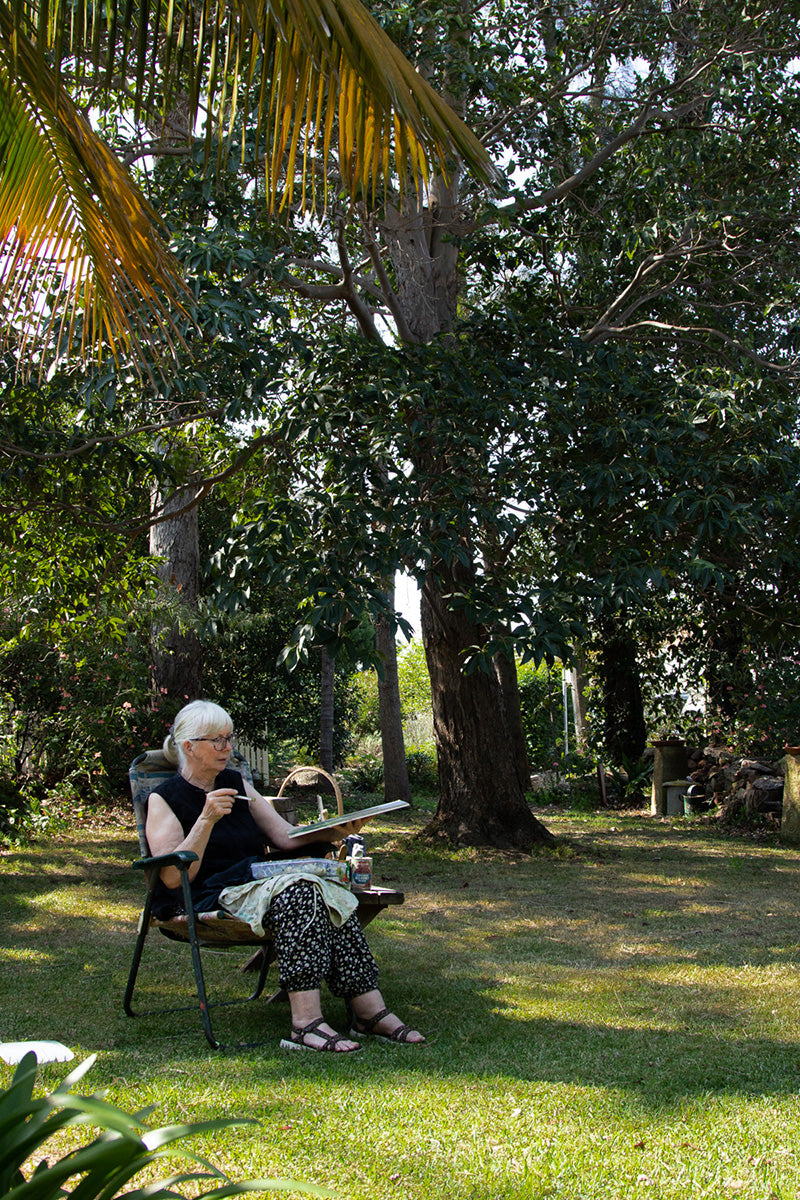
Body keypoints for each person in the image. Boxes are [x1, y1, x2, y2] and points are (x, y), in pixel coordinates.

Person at [146, 699, 425, 1052]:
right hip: (209, 894)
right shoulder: (164, 798)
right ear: (189, 747)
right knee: (301, 891)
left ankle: (369, 1009)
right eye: (216, 740)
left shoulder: (236, 782)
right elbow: (174, 878)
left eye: (229, 737)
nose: (227, 747)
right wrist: (206, 819)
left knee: (327, 889)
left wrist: (334, 832)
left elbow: (283, 836)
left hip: (256, 883)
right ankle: (305, 1023)